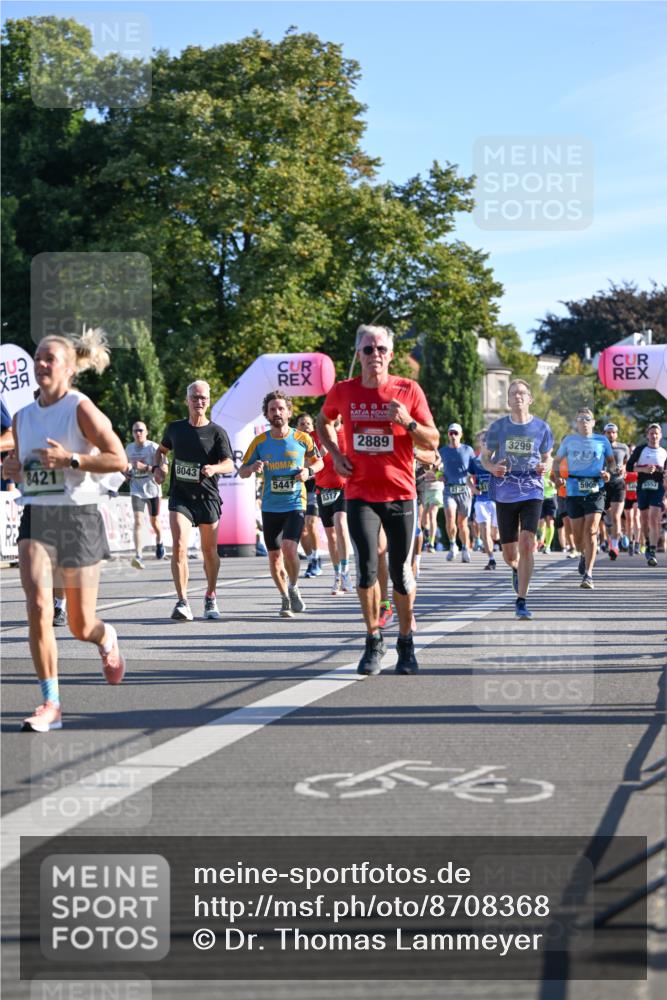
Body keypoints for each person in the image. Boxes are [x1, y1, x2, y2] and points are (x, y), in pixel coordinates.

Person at [2, 331, 128, 732]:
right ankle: (50, 703)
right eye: (37, 357)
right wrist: (13, 470)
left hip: (79, 518)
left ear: (70, 369)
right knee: (38, 607)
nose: (40, 363)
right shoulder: (22, 418)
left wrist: (71, 459)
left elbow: (119, 459)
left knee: (79, 624)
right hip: (37, 515)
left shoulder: (81, 409)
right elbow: (22, 470)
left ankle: (105, 638)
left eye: (49, 358)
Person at [317, 324, 439, 676]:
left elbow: (431, 441)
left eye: (381, 349)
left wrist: (408, 423)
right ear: (358, 354)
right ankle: (373, 639)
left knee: (400, 572)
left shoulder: (408, 390)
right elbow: (325, 421)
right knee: (367, 567)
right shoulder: (343, 391)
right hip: (359, 494)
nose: (375, 356)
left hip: (400, 494)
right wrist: (335, 453)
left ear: (391, 353)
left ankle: (405, 642)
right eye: (368, 349)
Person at [153, 380, 234, 621]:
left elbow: (230, 463)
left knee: (209, 551)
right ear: (187, 400)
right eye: (195, 398)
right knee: (178, 547)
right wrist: (159, 467)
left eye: (204, 398)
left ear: (209, 401)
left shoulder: (217, 432)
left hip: (207, 497)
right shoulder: (175, 429)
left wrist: (215, 468)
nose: (199, 402)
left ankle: (210, 595)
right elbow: (161, 450)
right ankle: (182, 601)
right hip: (181, 497)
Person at [240, 391, 322, 616]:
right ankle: (285, 596)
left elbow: (320, 462)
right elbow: (242, 471)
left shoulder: (302, 439)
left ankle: (294, 586)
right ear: (266, 414)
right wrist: (252, 468)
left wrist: (308, 471)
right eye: (272, 409)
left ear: (289, 412)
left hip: (295, 502)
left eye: (281, 409)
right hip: (270, 506)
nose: (277, 413)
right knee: (275, 557)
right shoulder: (260, 441)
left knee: (289, 548)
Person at [479, 379, 554, 620]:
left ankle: (521, 599)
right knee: (510, 554)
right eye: (513, 394)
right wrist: (492, 468)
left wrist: (545, 466)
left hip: (532, 489)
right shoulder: (498, 427)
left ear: (530, 399)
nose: (518, 397)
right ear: (508, 401)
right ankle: (515, 568)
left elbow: (548, 457)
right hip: (505, 491)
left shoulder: (542, 427)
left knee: (527, 543)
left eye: (522, 393)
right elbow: (484, 457)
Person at [554, 408, 615, 589]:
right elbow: (557, 461)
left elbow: (611, 462)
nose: (584, 422)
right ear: (576, 422)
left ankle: (588, 574)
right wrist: (557, 477)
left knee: (591, 530)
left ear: (593, 422)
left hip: (596, 489)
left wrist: (608, 474)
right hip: (573, 489)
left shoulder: (602, 440)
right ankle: (583, 553)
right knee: (579, 536)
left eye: (587, 419)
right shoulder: (569, 440)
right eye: (581, 419)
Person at [314, 415, 352, 595]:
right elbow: (309, 462)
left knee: (341, 523)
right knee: (331, 536)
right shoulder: (317, 435)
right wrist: (322, 450)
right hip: (323, 490)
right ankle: (337, 575)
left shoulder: (349, 432)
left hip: (344, 487)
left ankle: (346, 571)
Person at [124, 421, 165, 568]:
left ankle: (159, 541)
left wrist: (145, 467)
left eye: (141, 430)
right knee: (138, 521)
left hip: (153, 489)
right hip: (136, 489)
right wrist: (126, 473)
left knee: (154, 522)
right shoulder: (129, 448)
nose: (138, 433)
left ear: (147, 432)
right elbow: (125, 465)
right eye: (135, 431)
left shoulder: (152, 447)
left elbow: (162, 468)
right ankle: (138, 555)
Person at [626, 423, 667, 567]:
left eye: (656, 433)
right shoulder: (640, 449)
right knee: (644, 520)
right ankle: (648, 543)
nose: (654, 436)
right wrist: (643, 470)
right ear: (647, 435)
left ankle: (653, 551)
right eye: (651, 433)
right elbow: (629, 467)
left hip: (658, 489)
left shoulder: (664, 452)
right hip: (643, 487)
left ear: (660, 436)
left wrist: (663, 473)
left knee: (654, 518)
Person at [439, 423, 476, 563]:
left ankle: (465, 548)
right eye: (451, 433)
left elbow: (475, 467)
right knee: (449, 517)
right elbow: (435, 467)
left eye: (456, 433)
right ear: (448, 435)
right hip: (449, 488)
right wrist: (438, 475)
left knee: (462, 523)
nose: (453, 436)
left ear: (460, 435)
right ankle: (453, 544)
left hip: (464, 489)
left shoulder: (468, 450)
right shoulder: (442, 451)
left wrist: (474, 485)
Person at [296, 413, 323, 578]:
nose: (306, 426)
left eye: (308, 423)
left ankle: (317, 557)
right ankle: (312, 559)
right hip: (297, 486)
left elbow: (321, 461)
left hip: (314, 485)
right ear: (297, 426)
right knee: (301, 529)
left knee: (311, 523)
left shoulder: (316, 441)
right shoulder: (292, 441)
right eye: (302, 423)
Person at [602, 423, 629, 560]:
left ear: (616, 434)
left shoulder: (623, 447)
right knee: (607, 518)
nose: (611, 434)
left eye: (613, 432)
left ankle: (614, 546)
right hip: (603, 485)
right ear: (604, 433)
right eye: (608, 432)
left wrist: (623, 469)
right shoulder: (600, 447)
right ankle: (615, 535)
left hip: (618, 484)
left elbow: (626, 463)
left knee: (616, 516)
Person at [471, 431, 498, 570]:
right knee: (485, 531)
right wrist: (473, 489)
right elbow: (467, 477)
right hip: (481, 500)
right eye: (483, 440)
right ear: (479, 443)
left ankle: (498, 544)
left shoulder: (498, 459)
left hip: (496, 501)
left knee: (495, 533)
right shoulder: (475, 461)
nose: (486, 442)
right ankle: (491, 559)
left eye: (488, 439)